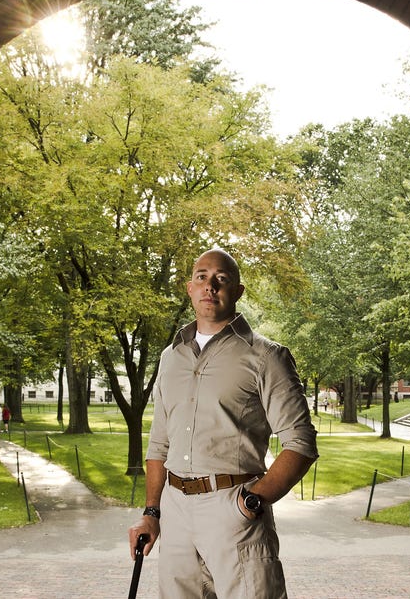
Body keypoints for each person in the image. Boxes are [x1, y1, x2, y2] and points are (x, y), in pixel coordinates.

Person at [127, 248, 318, 598]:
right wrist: (151, 513)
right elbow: (159, 445)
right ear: (189, 289)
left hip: (234, 510)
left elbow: (301, 442)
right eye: (201, 277)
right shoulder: (171, 358)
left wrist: (252, 502)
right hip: (176, 514)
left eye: (222, 279)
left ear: (238, 292)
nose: (210, 286)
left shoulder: (266, 357)